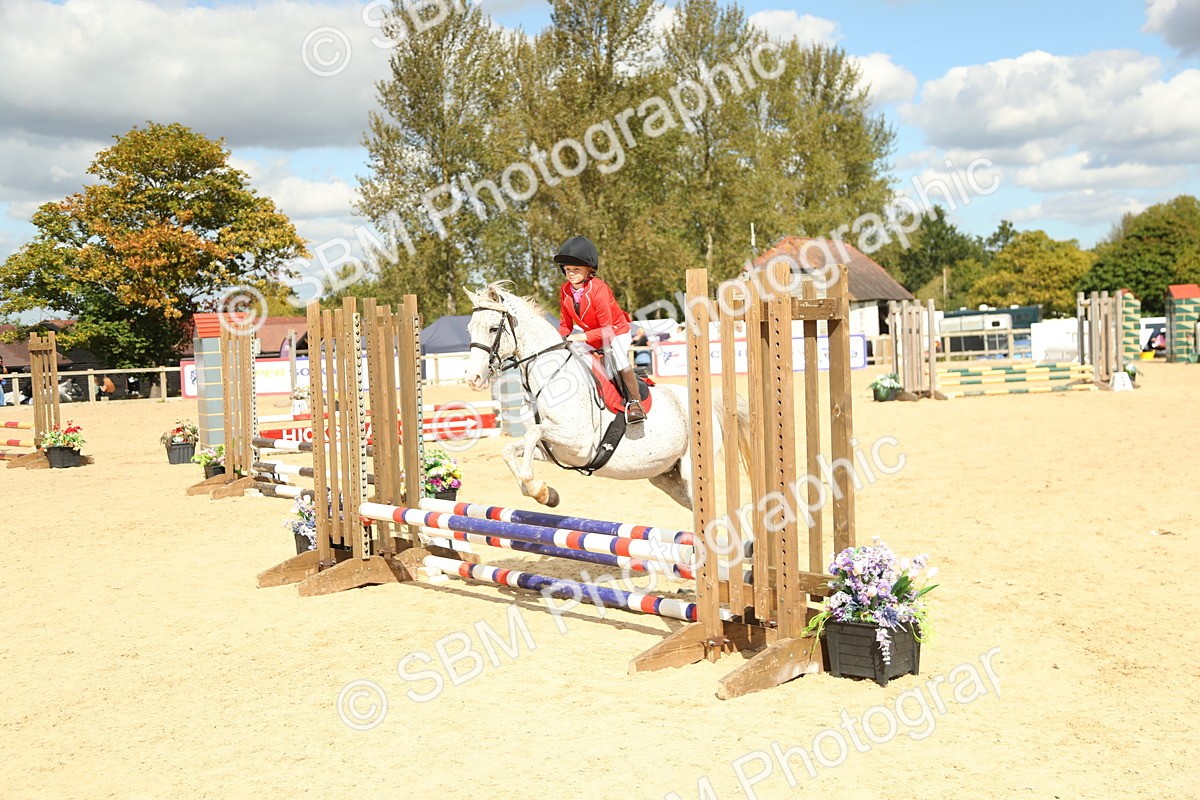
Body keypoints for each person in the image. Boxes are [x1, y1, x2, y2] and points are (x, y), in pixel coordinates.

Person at [554, 235, 645, 425]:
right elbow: (565, 324)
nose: (571, 273)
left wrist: (580, 337)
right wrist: (560, 339)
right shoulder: (565, 290)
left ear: (589, 270)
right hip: (591, 336)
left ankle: (635, 403)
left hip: (616, 332)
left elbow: (607, 330)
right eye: (568, 269)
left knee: (619, 358)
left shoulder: (599, 288)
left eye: (576, 269)